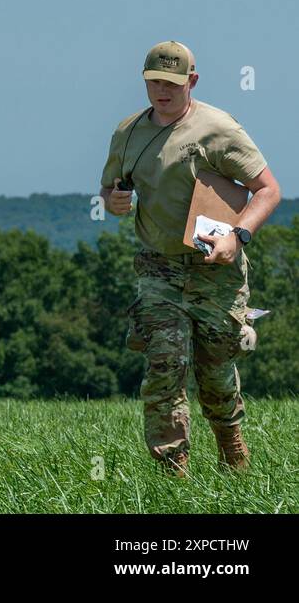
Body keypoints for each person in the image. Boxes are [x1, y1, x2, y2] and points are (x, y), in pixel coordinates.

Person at [100, 41, 281, 476]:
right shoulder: (128, 131)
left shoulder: (218, 129)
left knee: (215, 368)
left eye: (171, 83)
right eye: (154, 83)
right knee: (165, 365)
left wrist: (238, 236)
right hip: (158, 265)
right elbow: (109, 188)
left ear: (191, 82)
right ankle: (171, 469)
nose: (161, 91)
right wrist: (113, 201)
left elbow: (268, 190)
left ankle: (230, 442)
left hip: (214, 266)